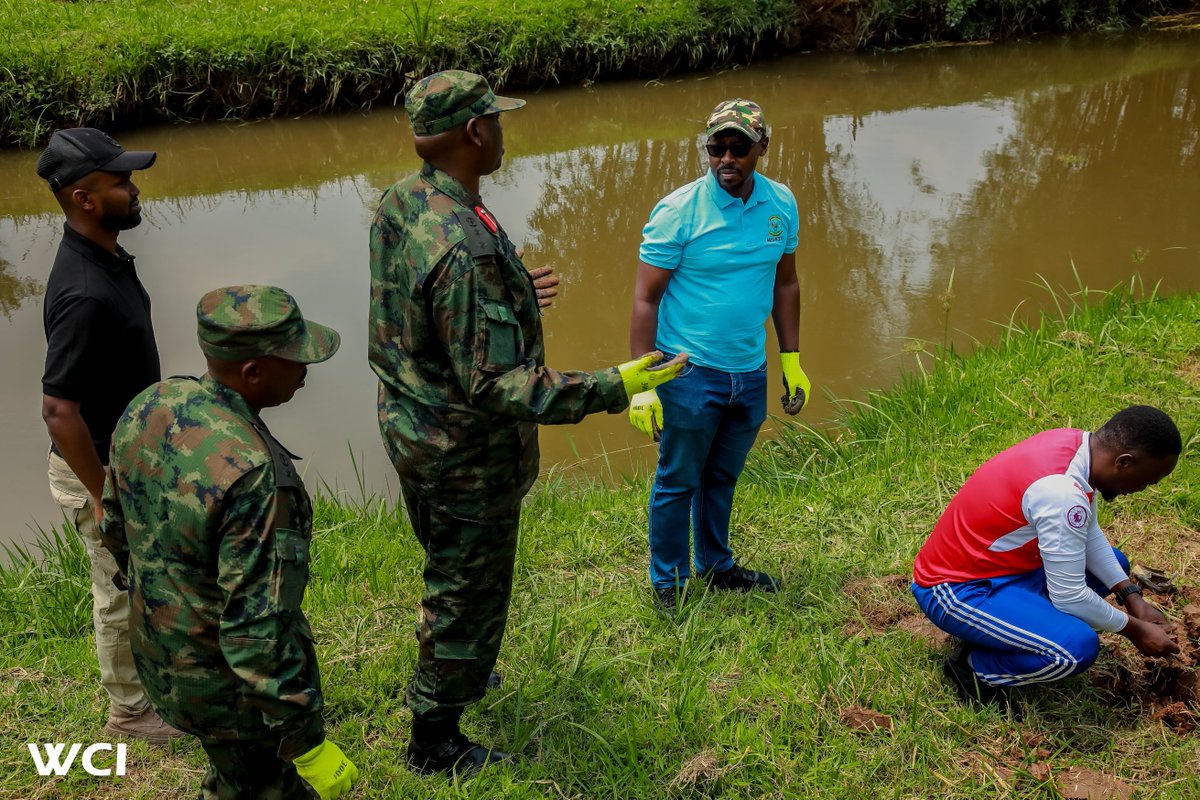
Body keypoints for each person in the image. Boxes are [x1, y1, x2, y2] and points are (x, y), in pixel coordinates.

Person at [368, 69, 685, 777]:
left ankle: (462, 668)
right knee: (465, 590)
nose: (503, 130)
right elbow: (495, 384)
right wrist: (614, 384)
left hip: (412, 429)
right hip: (465, 454)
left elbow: (421, 308)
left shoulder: (406, 201)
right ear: (475, 132)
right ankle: (435, 740)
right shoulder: (465, 246)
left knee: (448, 568)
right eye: (496, 120)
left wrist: (510, 285)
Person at [101, 286, 359, 799]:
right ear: (253, 373)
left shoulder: (151, 403)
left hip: (157, 653)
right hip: (227, 692)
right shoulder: (254, 474)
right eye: (295, 357)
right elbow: (256, 631)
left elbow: (114, 523)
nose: (307, 367)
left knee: (237, 778)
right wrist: (306, 741)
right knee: (261, 787)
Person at [628, 99, 811, 615]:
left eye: (739, 147)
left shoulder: (782, 204)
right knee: (678, 478)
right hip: (688, 373)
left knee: (722, 477)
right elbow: (646, 298)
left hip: (749, 371)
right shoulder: (678, 211)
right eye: (716, 147)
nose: (726, 158)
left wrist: (791, 359)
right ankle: (670, 581)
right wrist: (641, 384)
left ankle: (715, 564)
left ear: (762, 149)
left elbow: (787, 281)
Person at [36, 127, 184, 743]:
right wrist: (103, 494)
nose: (133, 188)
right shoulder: (85, 292)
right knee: (117, 592)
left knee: (145, 577)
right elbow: (58, 411)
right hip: (95, 469)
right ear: (84, 199)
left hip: (125, 460)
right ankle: (129, 713)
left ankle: (161, 683)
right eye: (119, 181)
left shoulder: (106, 257)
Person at [911, 405, 1182, 712]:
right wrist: (1134, 628)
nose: (1141, 490)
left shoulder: (1077, 448)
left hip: (1004, 570)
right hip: (956, 589)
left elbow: (1088, 531)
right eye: (1145, 481)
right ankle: (975, 668)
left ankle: (1012, 631)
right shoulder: (1061, 492)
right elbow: (1069, 597)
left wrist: (1131, 596)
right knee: (1074, 650)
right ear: (1124, 462)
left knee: (1116, 564)